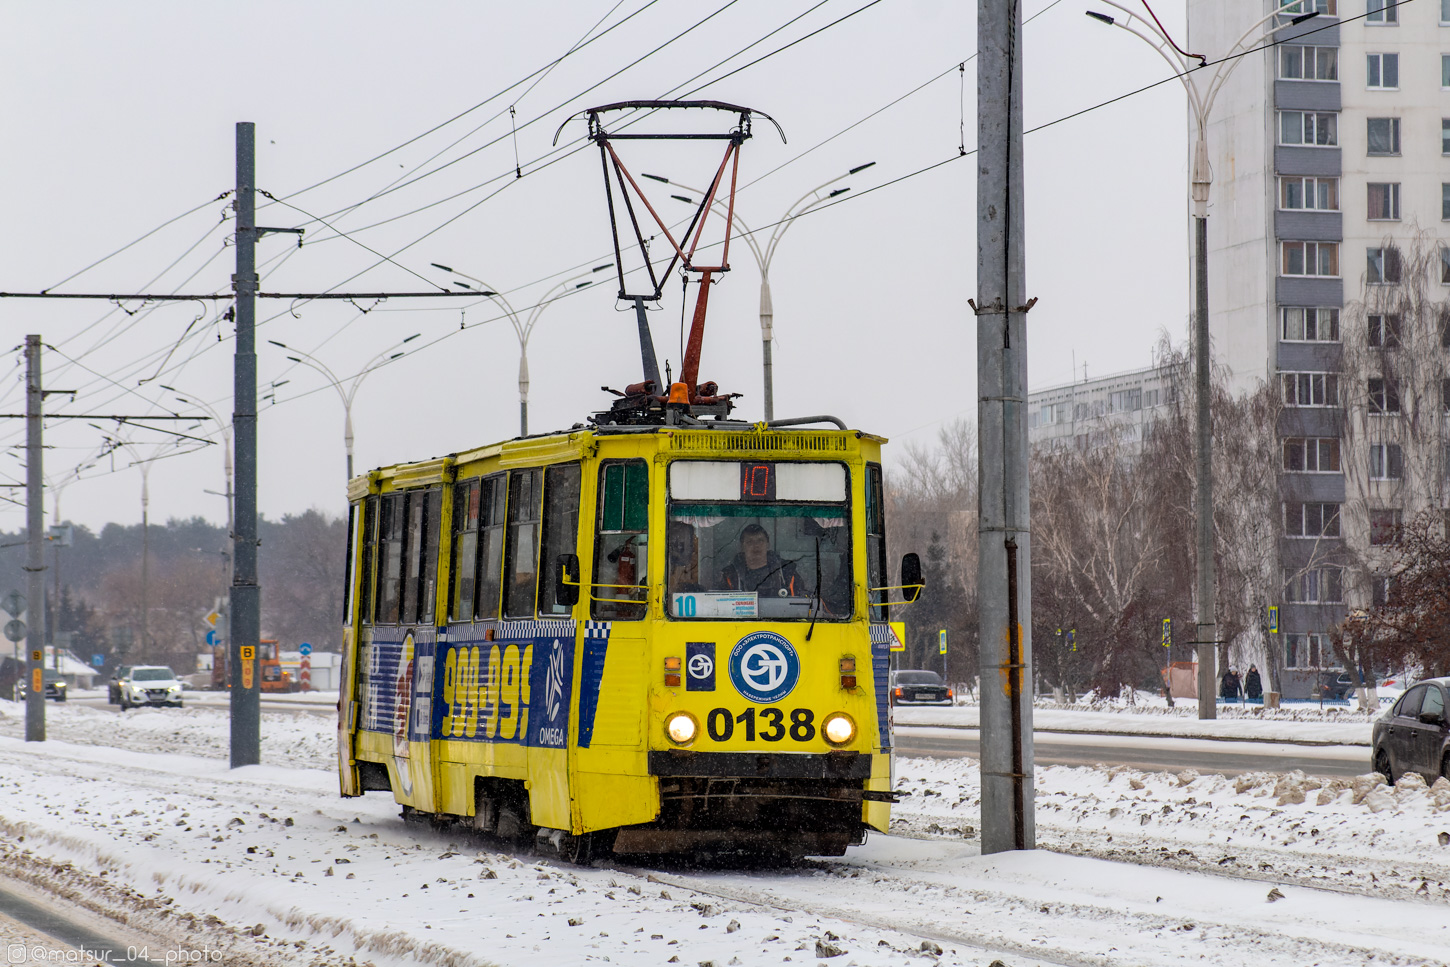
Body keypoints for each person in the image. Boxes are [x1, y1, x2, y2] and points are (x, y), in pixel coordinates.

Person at [720, 523, 801, 597]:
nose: (756, 545)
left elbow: (799, 603)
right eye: (750, 542)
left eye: (760, 541)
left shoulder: (786, 571)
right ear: (742, 547)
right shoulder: (730, 575)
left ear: (768, 545)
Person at [667, 520, 703, 595]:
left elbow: (697, 581)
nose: (677, 545)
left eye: (681, 543)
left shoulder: (698, 557)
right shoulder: (663, 559)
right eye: (673, 542)